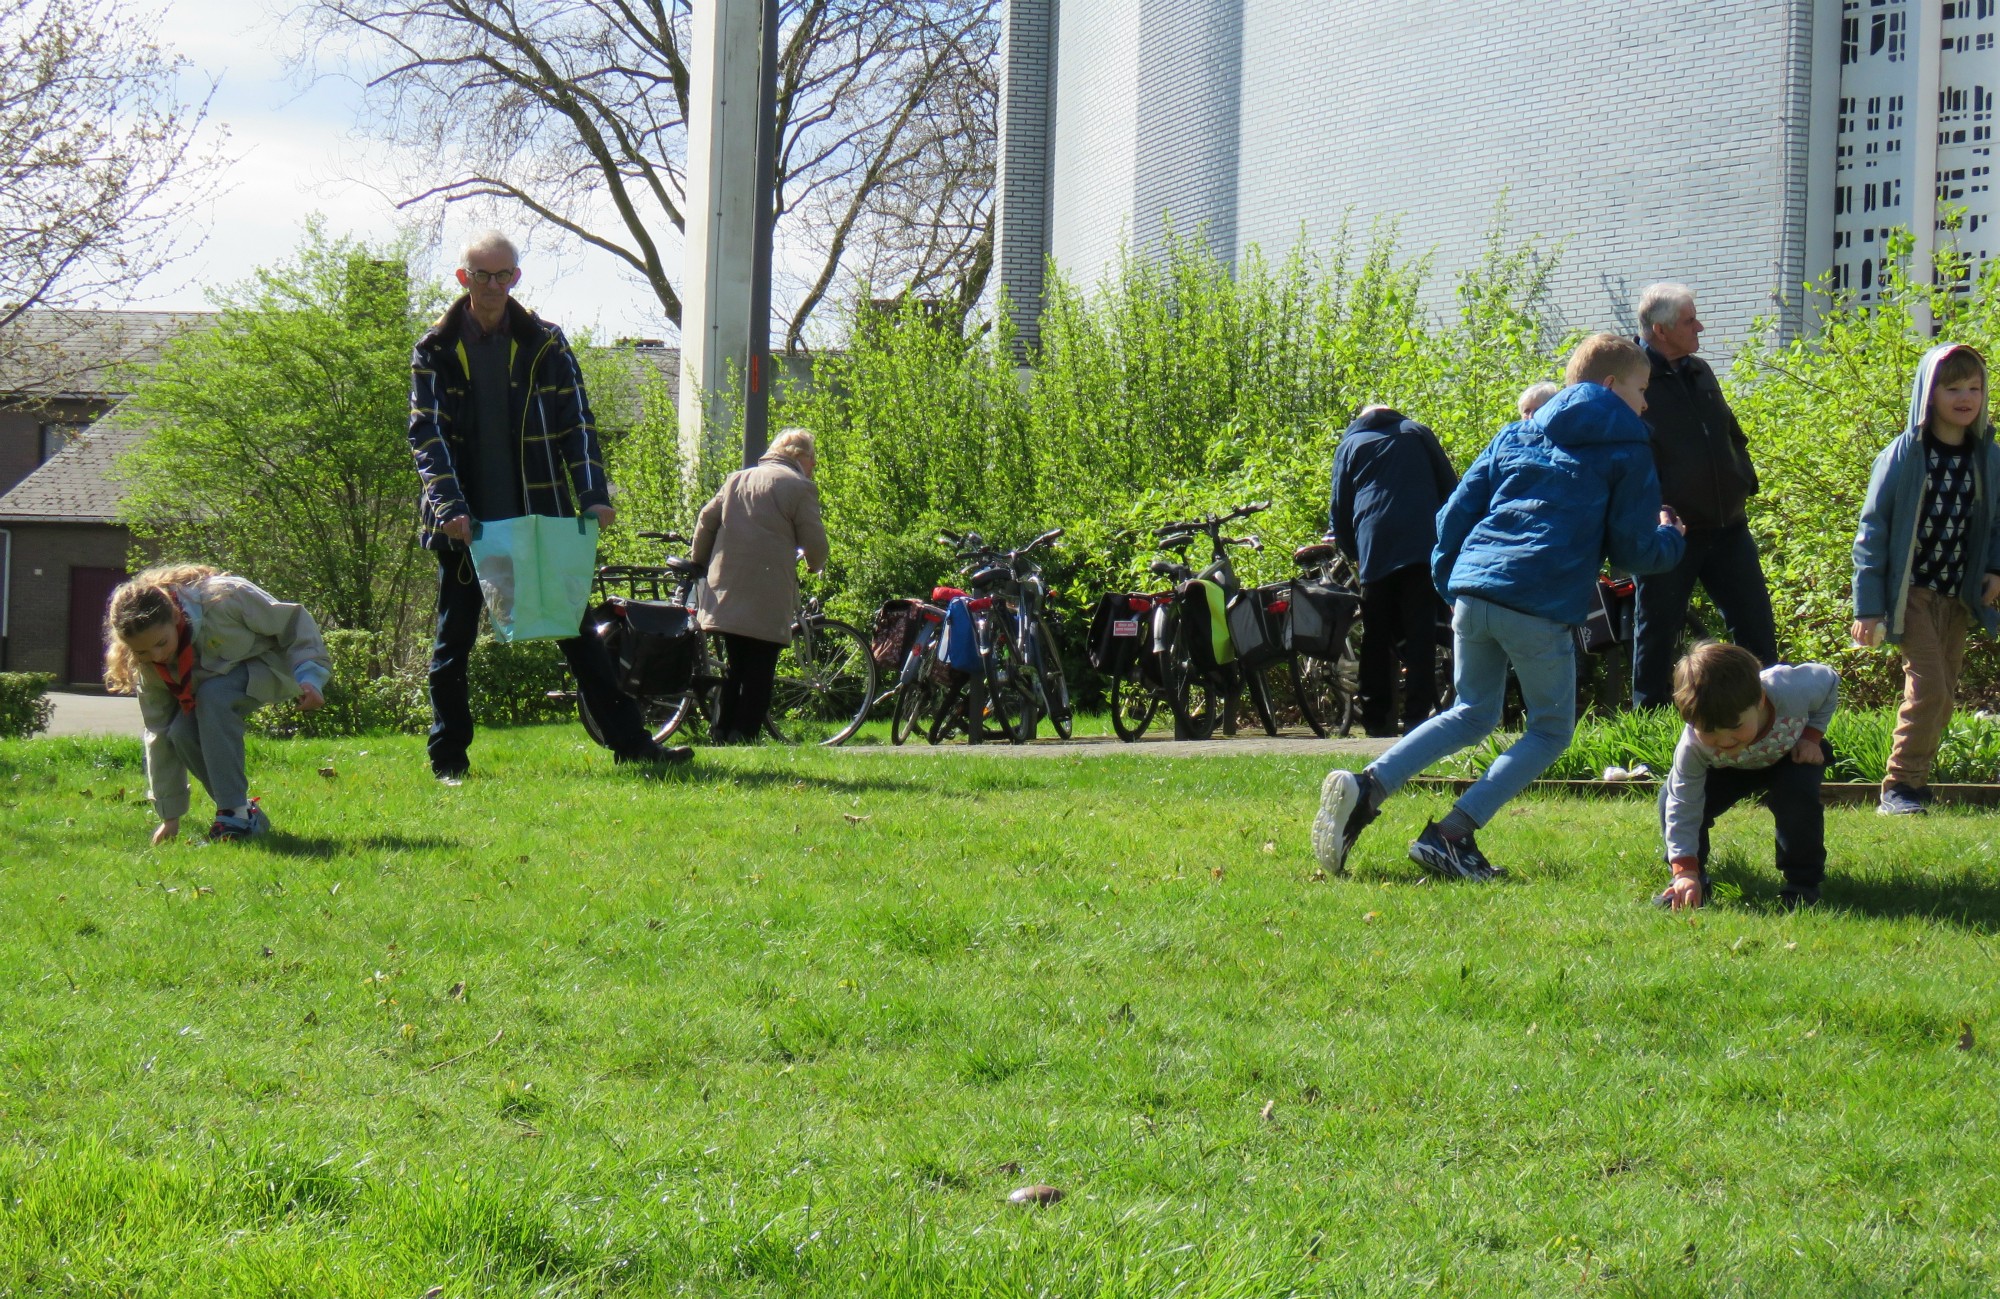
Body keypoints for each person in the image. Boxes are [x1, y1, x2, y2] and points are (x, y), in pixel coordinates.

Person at [1313, 334, 1687, 880]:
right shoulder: (1628, 449)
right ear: (1611, 385)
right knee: (1551, 730)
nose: (1646, 402)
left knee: (1471, 712)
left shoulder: (1518, 432)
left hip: (1475, 591)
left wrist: (1452, 583)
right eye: (1641, 388)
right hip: (1538, 601)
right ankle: (1452, 836)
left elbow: (1451, 516)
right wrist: (1671, 536)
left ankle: (1367, 787)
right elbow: (1633, 552)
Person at [407, 229, 689, 782]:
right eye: (481, 275)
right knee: (454, 642)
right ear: (463, 279)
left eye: (503, 275)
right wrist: (449, 507)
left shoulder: (547, 344)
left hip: (540, 517)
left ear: (516, 278)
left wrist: (593, 495)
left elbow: (576, 422)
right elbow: (427, 435)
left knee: (578, 636)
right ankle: (448, 761)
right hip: (467, 527)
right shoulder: (434, 350)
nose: (492, 285)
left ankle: (632, 745)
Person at [1852, 342, 2000, 815]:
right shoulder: (1903, 455)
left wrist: (1995, 569)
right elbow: (1872, 531)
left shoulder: (1988, 456)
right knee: (1929, 686)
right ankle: (1898, 787)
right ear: (1928, 393)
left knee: (1945, 694)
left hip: (1956, 594)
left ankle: (1916, 785)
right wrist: (1867, 606)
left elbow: (1997, 522)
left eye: (1974, 387)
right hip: (1908, 593)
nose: (1965, 396)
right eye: (1952, 386)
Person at [1628, 283, 1778, 708]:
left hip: (1728, 526)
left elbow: (1730, 430)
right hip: (1671, 531)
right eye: (1691, 320)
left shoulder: (1699, 370)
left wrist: (1744, 480)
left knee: (1756, 628)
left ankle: (1769, 715)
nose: (1701, 327)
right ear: (1660, 329)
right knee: (1657, 629)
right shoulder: (1631, 375)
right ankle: (1647, 725)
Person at [103, 564, 332, 844]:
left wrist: (311, 676)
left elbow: (293, 622)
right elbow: (159, 733)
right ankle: (243, 816)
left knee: (213, 696)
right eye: (143, 651)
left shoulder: (225, 599)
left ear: (175, 616)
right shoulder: (148, 667)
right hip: (215, 690)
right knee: (180, 733)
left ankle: (233, 815)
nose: (157, 655)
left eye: (162, 643)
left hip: (275, 667)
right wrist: (170, 818)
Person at [1654, 642, 1837, 911]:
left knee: (1797, 800)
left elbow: (1830, 680)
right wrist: (1684, 870)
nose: (1724, 739)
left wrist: (1812, 736)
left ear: (1760, 700)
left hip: (1791, 754)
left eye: (1734, 726)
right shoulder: (1693, 746)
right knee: (1669, 797)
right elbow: (1683, 805)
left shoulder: (1789, 688)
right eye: (1709, 731)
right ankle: (1692, 883)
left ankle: (1802, 887)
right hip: (1729, 769)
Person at [689, 427, 831, 743]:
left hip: (726, 587)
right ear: (801, 457)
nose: (814, 466)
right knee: (761, 666)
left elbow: (706, 520)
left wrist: (699, 561)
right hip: (767, 589)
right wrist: (814, 564)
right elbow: (815, 540)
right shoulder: (799, 487)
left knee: (735, 665)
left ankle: (721, 731)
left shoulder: (736, 479)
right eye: (814, 460)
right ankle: (744, 734)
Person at [1328, 404, 1459, 735]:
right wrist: (1448, 538)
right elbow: (1451, 488)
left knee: (1376, 633)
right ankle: (1418, 715)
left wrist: (1353, 550)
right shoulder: (1417, 432)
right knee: (1420, 632)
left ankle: (1375, 718)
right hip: (1421, 544)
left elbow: (1340, 507)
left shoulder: (1350, 445)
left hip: (1375, 545)